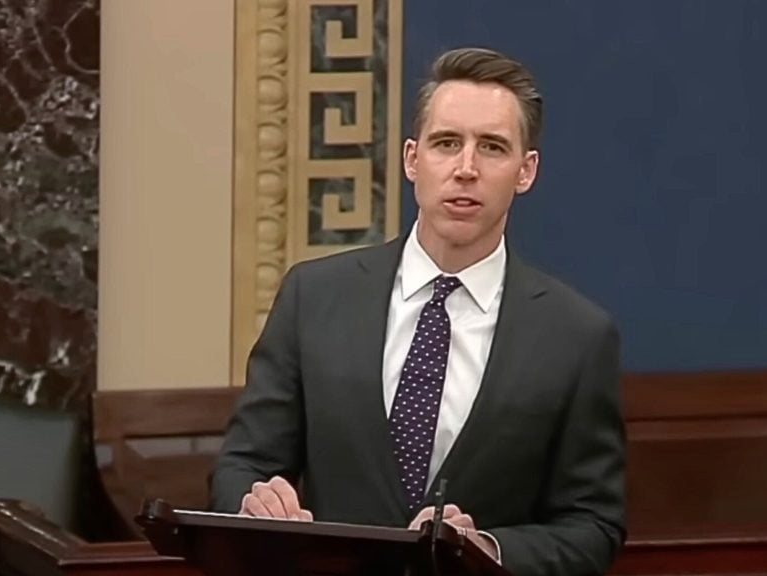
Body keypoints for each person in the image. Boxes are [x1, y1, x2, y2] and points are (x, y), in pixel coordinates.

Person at [211, 47, 626, 576]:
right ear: (412, 159)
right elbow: (241, 465)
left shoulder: (577, 336)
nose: (466, 168)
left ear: (526, 171)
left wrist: (489, 551)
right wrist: (254, 503)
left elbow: (593, 525)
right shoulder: (314, 296)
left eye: (493, 147)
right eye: (446, 143)